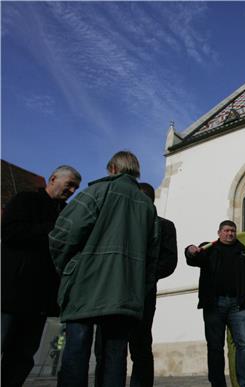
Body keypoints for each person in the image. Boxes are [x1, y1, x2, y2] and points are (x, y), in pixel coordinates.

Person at [49, 151, 158, 387]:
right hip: (125, 293)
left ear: (113, 169)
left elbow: (62, 234)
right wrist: (139, 285)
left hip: (84, 286)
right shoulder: (148, 207)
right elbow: (152, 259)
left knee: (76, 352)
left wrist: (67, 268)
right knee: (114, 357)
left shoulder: (96, 192)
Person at [1, 165, 81, 387]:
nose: (72, 190)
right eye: (70, 184)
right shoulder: (25, 200)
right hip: (11, 292)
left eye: (75, 187)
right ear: (53, 178)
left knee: (23, 357)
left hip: (39, 300)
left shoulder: (66, 213)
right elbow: (9, 233)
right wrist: (53, 231)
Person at [185, 220, 245, 387]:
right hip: (214, 305)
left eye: (232, 231)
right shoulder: (208, 249)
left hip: (238, 306)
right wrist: (190, 250)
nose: (230, 234)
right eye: (226, 231)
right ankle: (218, 384)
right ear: (219, 232)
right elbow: (193, 257)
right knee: (215, 348)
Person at [127, 182, 178, 387]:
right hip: (117, 290)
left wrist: (147, 276)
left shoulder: (164, 225)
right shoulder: (125, 222)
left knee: (140, 345)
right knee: (111, 345)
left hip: (145, 292)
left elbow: (169, 261)